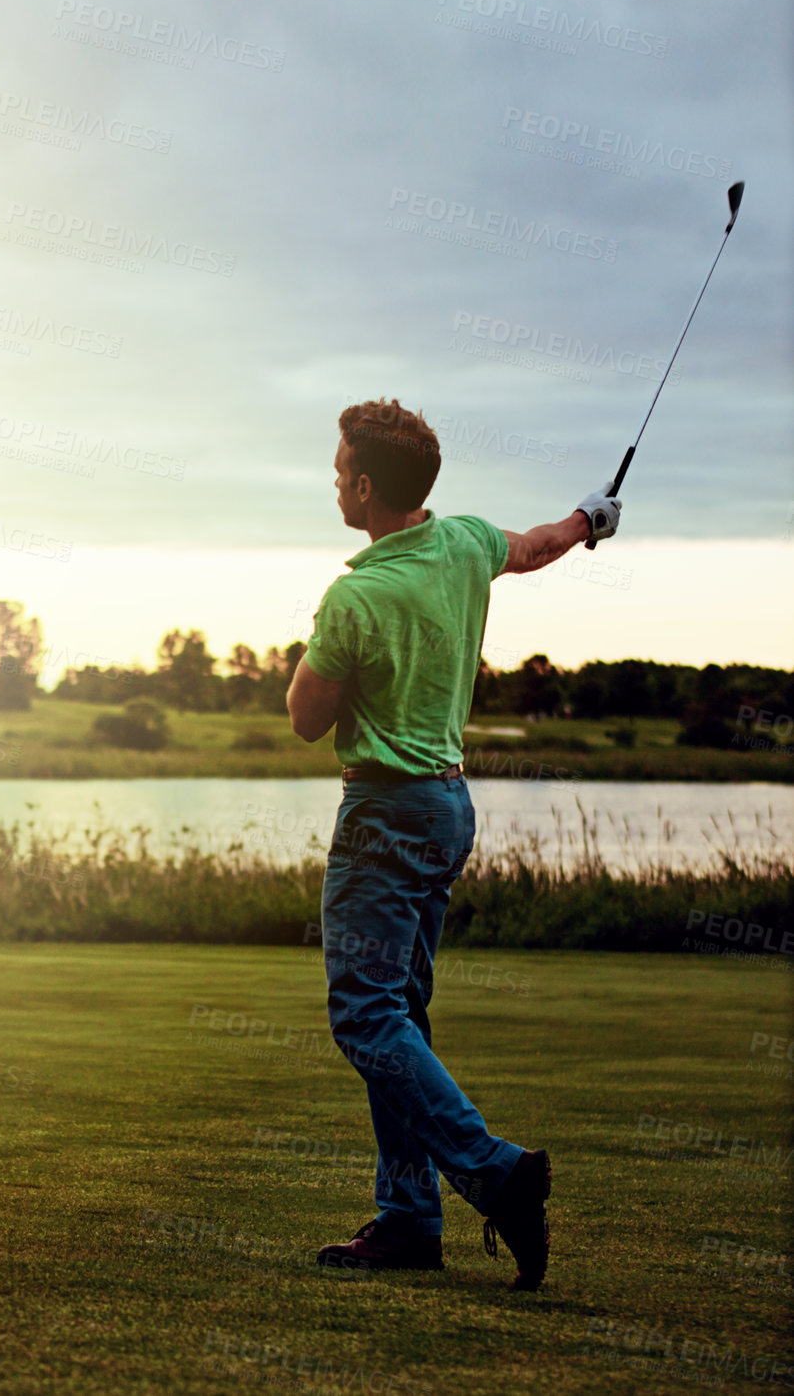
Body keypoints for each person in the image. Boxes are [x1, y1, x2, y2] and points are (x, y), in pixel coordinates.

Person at [285, 398, 621, 1290]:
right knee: (403, 1013)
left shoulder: (356, 593)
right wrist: (593, 517)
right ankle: (406, 1218)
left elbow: (304, 719)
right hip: (446, 809)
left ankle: (495, 1171)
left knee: (364, 1013)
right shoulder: (468, 539)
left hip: (385, 815)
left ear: (364, 484)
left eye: (338, 467)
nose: (332, 477)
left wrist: (328, 649)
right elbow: (541, 544)